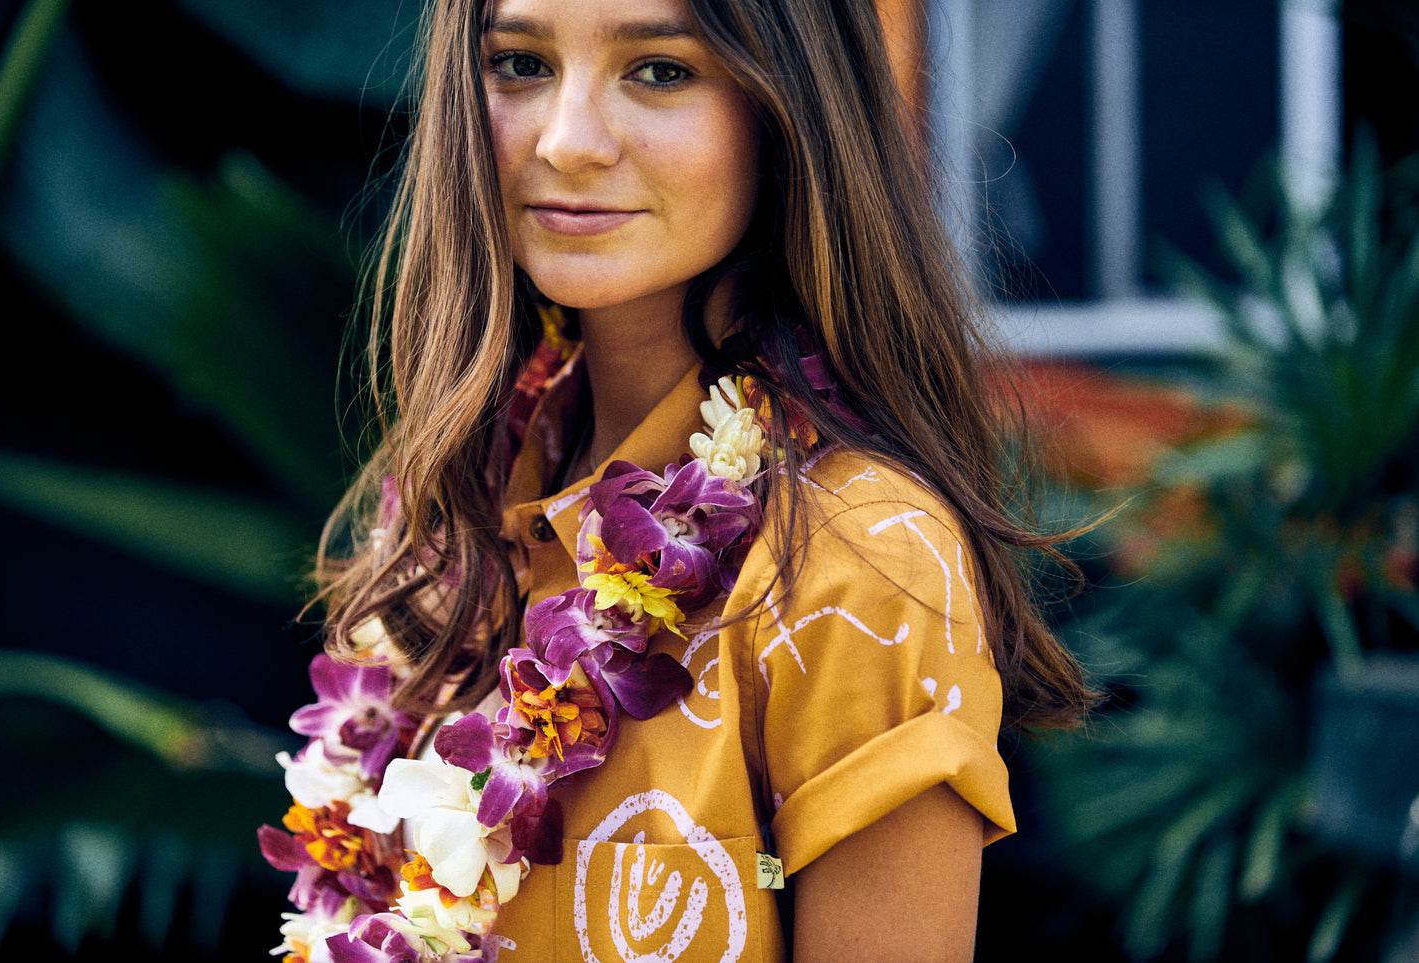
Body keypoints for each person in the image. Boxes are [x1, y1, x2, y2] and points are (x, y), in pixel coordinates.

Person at [258, 0, 1095, 960]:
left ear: (787, 115)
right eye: (520, 64)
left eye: (660, 70)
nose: (567, 141)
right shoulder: (449, 521)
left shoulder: (861, 556)